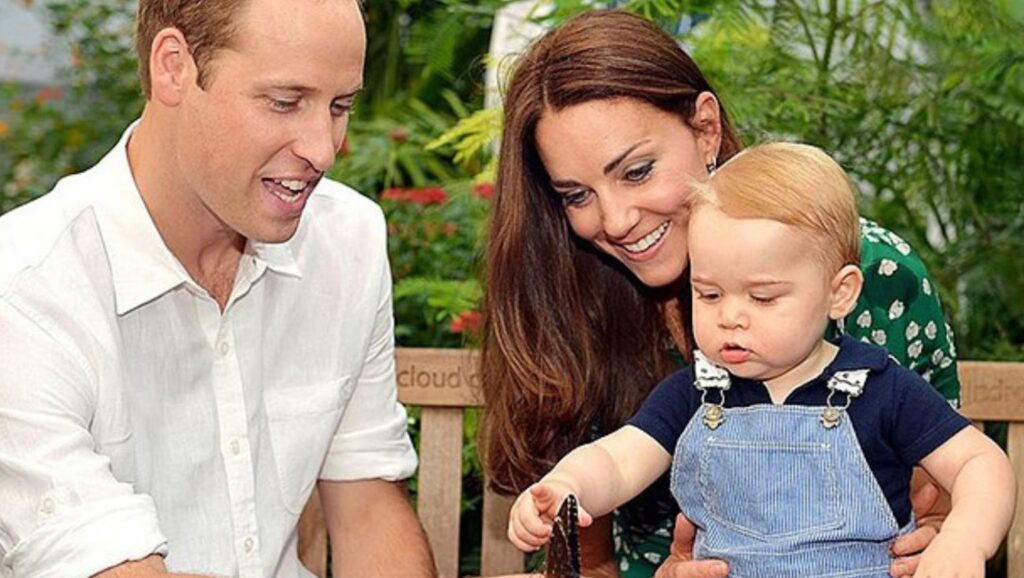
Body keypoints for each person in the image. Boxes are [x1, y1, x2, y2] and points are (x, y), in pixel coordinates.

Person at [480, 9, 961, 578]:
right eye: (576, 195)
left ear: (705, 128)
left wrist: (945, 536)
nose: (614, 220)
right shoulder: (578, 288)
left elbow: (944, 492)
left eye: (636, 171)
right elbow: (592, 543)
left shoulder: (866, 270)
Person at [0, 1, 436, 577]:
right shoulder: (25, 283)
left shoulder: (346, 239)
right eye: (285, 102)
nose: (324, 149)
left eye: (339, 107)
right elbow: (113, 570)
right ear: (174, 66)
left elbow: (366, 506)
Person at [506, 142, 1015, 577]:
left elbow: (980, 462)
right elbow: (616, 462)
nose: (731, 317)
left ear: (840, 293)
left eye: (763, 298)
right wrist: (566, 488)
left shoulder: (880, 387)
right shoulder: (695, 393)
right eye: (708, 294)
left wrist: (964, 542)